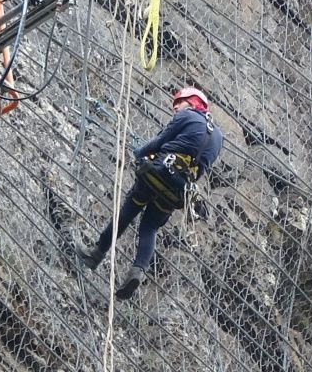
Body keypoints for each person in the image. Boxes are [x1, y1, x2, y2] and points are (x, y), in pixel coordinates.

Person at [75, 86, 224, 300]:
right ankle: (137, 271)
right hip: (180, 190)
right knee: (150, 226)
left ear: (190, 102)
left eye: (178, 104)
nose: (176, 109)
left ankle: (96, 254)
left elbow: (159, 141)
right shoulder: (219, 137)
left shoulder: (187, 115)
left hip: (160, 171)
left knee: (128, 210)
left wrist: (138, 153)